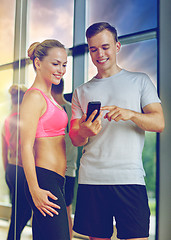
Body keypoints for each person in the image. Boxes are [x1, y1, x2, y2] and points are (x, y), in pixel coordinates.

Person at [69, 22, 165, 240]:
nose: (99, 54)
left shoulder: (139, 81)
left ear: (117, 46)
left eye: (105, 47)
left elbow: (158, 122)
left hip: (129, 177)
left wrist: (131, 114)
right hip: (92, 179)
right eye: (93, 49)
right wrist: (84, 131)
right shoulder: (81, 91)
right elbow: (75, 138)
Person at [20, 39, 70, 240]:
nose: (61, 70)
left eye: (64, 65)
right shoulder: (34, 97)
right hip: (43, 180)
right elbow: (25, 146)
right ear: (38, 63)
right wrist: (35, 189)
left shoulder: (50, 98)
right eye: (55, 64)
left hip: (56, 180)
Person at [1, 84, 32, 240]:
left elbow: (4, 150)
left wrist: (8, 172)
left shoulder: (7, 119)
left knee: (17, 212)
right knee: (22, 213)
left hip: (12, 170)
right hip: (22, 170)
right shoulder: (24, 118)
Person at [51, 79, 78, 239]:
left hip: (53, 171)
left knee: (46, 212)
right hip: (70, 171)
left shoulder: (52, 110)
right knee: (67, 211)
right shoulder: (72, 110)